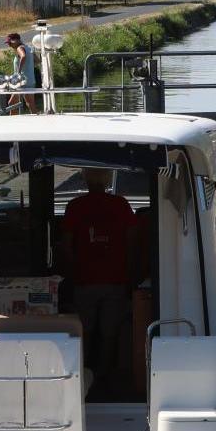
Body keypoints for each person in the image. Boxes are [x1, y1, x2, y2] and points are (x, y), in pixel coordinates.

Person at [58, 169, 141, 398]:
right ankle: (102, 378)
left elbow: (66, 246)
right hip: (115, 280)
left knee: (83, 331)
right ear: (107, 179)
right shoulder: (121, 205)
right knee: (108, 333)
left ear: (85, 179)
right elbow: (133, 242)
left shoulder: (75, 206)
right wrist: (131, 274)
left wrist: (72, 273)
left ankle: (81, 375)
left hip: (85, 280)